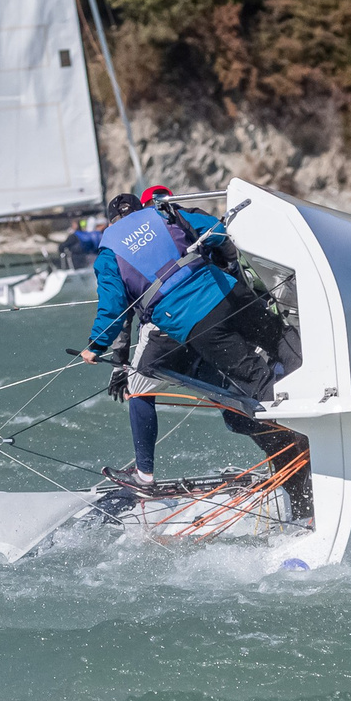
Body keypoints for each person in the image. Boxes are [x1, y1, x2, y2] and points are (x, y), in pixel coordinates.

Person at [78, 187, 309, 517]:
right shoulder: (163, 213)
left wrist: (96, 348)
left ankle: (145, 475)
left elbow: (115, 309)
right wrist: (229, 261)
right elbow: (215, 230)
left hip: (191, 323)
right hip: (228, 292)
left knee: (251, 383)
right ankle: (317, 391)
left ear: (110, 222)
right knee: (279, 337)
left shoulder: (109, 251)